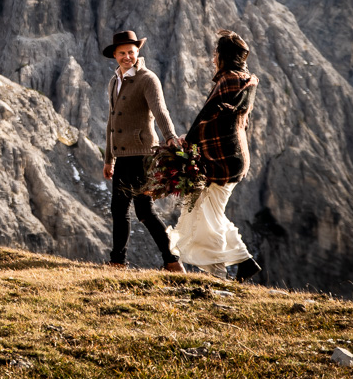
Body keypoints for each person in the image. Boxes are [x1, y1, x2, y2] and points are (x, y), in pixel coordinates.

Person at [169, 29, 262, 281]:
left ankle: (225, 269)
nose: (213, 58)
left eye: (216, 53)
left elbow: (206, 118)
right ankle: (238, 264)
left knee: (205, 214)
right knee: (208, 212)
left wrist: (185, 147)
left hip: (222, 160)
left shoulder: (229, 80)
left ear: (224, 56)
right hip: (232, 158)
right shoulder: (244, 79)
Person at [101, 30, 184, 272]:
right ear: (115, 55)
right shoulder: (114, 81)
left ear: (138, 52)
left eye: (132, 52)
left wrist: (169, 137)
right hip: (122, 157)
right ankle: (117, 261)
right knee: (118, 210)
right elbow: (111, 123)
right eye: (122, 53)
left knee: (144, 211)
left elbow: (160, 110)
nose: (127, 56)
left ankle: (172, 261)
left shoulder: (147, 78)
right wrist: (109, 159)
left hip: (143, 156)